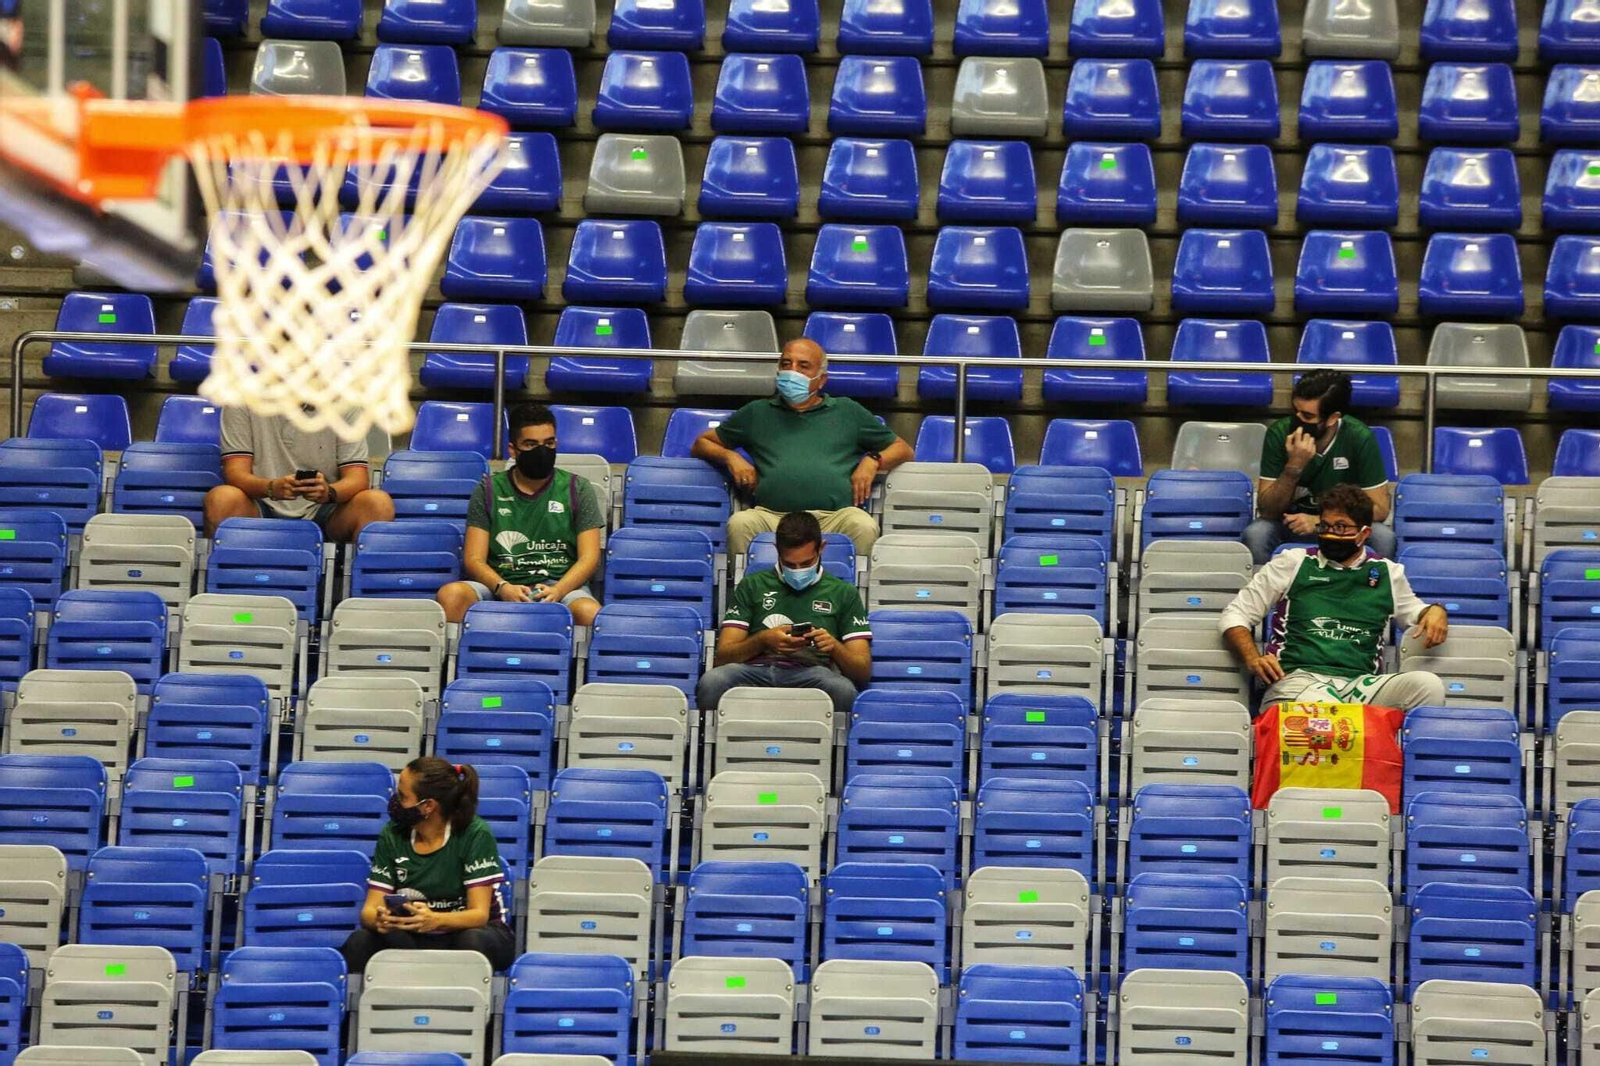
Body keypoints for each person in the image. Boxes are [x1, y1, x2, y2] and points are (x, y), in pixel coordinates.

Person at [1220, 484, 1449, 711]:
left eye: (1341, 527)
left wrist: (1436, 610)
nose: (1330, 534)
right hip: (1297, 682)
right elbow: (1235, 614)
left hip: (1358, 685)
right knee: (1328, 708)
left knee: (1428, 686)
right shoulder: (1292, 562)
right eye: (1325, 526)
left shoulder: (1387, 573)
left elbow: (1416, 612)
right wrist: (1253, 658)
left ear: (1364, 534)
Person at [691, 338, 914, 556]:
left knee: (863, 526)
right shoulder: (757, 412)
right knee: (740, 523)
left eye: (803, 366)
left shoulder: (848, 411)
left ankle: (849, 593)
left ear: (822, 379)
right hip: (772, 516)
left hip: (833, 518)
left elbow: (903, 449)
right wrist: (731, 457)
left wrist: (872, 460)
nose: (792, 371)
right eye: (786, 364)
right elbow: (702, 443)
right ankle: (747, 592)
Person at [340, 756, 516, 973]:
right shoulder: (392, 834)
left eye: (403, 796)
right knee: (361, 942)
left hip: (474, 931)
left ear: (428, 806)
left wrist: (435, 919)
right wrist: (381, 919)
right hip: (416, 934)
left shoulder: (475, 833)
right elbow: (368, 911)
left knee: (471, 942)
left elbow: (478, 915)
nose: (395, 801)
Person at [435, 403, 603, 626]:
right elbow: (473, 559)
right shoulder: (488, 490)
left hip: (560, 584)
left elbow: (590, 558)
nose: (541, 451)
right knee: (451, 595)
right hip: (500, 583)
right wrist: (502, 587)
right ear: (513, 450)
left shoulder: (578, 488)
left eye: (549, 443)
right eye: (531, 444)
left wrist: (558, 590)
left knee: (591, 612)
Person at [696, 510, 872, 717]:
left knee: (844, 691)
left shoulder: (844, 593)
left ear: (821, 548)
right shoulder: (752, 585)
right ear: (776, 549)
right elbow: (723, 656)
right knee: (712, 682)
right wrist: (763, 640)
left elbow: (862, 672)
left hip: (812, 673)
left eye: (806, 563)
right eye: (789, 564)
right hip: (755, 670)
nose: (798, 570)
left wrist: (834, 647)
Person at [1243, 369, 1396, 564]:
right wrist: (1294, 466)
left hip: (1343, 527)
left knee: (1384, 537)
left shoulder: (1360, 437)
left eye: (1307, 416)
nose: (1298, 421)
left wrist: (1321, 523)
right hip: (1289, 524)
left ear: (1333, 418)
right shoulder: (1279, 433)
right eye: (1295, 411)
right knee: (1257, 533)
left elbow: (1380, 509)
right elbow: (1268, 511)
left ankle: (1371, 589)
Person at [207, 406, 394, 541]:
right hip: (259, 503)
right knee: (222, 498)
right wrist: (271, 488)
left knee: (378, 503)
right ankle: (226, 586)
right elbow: (235, 473)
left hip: (324, 510)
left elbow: (357, 479)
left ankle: (359, 590)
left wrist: (327, 492)